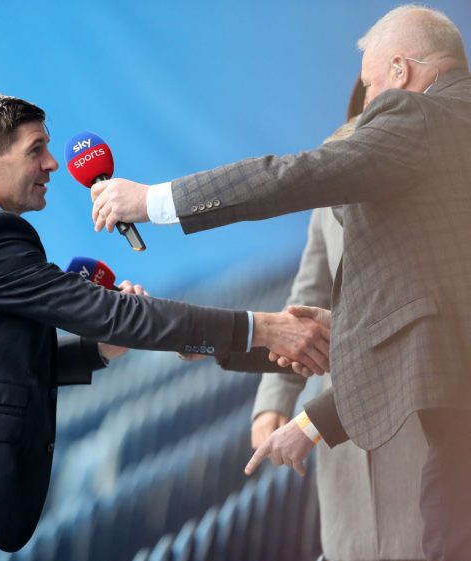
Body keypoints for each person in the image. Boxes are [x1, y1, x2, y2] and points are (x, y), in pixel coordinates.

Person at [0, 90, 328, 560]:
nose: (52, 164)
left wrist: (98, 351)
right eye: (36, 150)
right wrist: (266, 329)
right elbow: (114, 310)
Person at [89, 6, 471, 559]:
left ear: (401, 71)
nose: (370, 107)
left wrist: (151, 201)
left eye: (371, 87)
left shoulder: (419, 118)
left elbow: (289, 176)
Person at [251, 78, 426, 561]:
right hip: (342, 449)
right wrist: (273, 399)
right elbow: (303, 297)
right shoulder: (333, 190)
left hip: (417, 425)